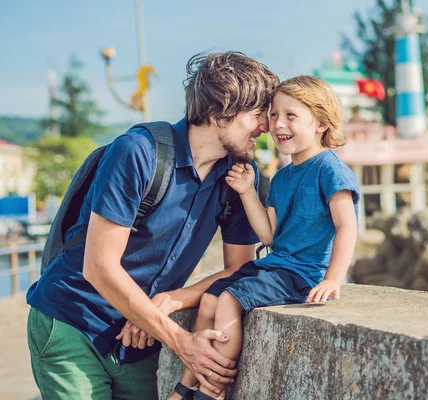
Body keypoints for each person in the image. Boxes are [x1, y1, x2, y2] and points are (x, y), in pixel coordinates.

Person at [25, 51, 279, 400]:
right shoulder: (138, 152)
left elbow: (238, 268)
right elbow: (99, 267)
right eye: (256, 116)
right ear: (222, 111)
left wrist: (171, 300)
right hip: (73, 321)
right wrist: (179, 341)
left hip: (137, 339)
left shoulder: (238, 180)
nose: (266, 127)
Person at [165, 75, 360, 400]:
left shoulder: (330, 169)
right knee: (210, 298)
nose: (277, 123)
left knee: (229, 300)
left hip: (301, 273)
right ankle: (186, 386)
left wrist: (333, 279)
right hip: (274, 264)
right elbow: (269, 233)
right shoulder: (282, 177)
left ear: (322, 123)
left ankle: (213, 391)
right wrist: (247, 191)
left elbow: (347, 226)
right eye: (273, 114)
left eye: (291, 115)